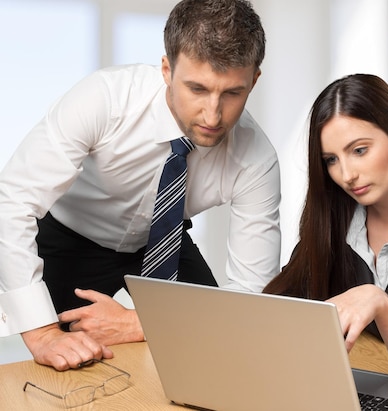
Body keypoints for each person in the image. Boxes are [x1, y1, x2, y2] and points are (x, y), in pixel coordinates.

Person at [0, 0, 280, 371]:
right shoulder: (104, 99)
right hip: (67, 238)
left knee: (220, 347)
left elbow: (252, 299)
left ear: (254, 80)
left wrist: (137, 323)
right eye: (197, 89)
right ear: (166, 69)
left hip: (164, 241)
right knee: (46, 366)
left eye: (232, 93)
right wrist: (43, 333)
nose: (213, 115)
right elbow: (13, 202)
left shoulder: (257, 159)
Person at [264, 74, 388, 376]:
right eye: (331, 159)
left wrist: (377, 301)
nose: (347, 175)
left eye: (359, 151)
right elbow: (284, 306)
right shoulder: (334, 220)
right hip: (368, 379)